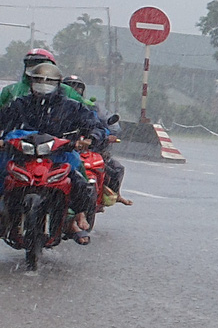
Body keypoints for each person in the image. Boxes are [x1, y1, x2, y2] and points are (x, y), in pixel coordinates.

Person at [0, 61, 104, 238]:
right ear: (31, 82)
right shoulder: (20, 104)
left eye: (49, 81)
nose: (43, 85)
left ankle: (76, 217)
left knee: (80, 184)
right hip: (21, 156)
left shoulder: (71, 106)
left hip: (59, 155)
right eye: (39, 80)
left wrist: (90, 138)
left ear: (58, 84)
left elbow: (94, 125)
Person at [61, 76, 132, 206]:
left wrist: (102, 135)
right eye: (70, 86)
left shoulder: (90, 107)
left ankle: (114, 194)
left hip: (90, 148)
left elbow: (100, 125)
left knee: (115, 168)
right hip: (63, 148)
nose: (74, 90)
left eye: (77, 87)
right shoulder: (57, 107)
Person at [0, 49, 88, 107]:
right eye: (29, 63)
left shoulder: (68, 92)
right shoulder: (10, 90)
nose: (33, 67)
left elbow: (85, 117)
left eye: (38, 63)